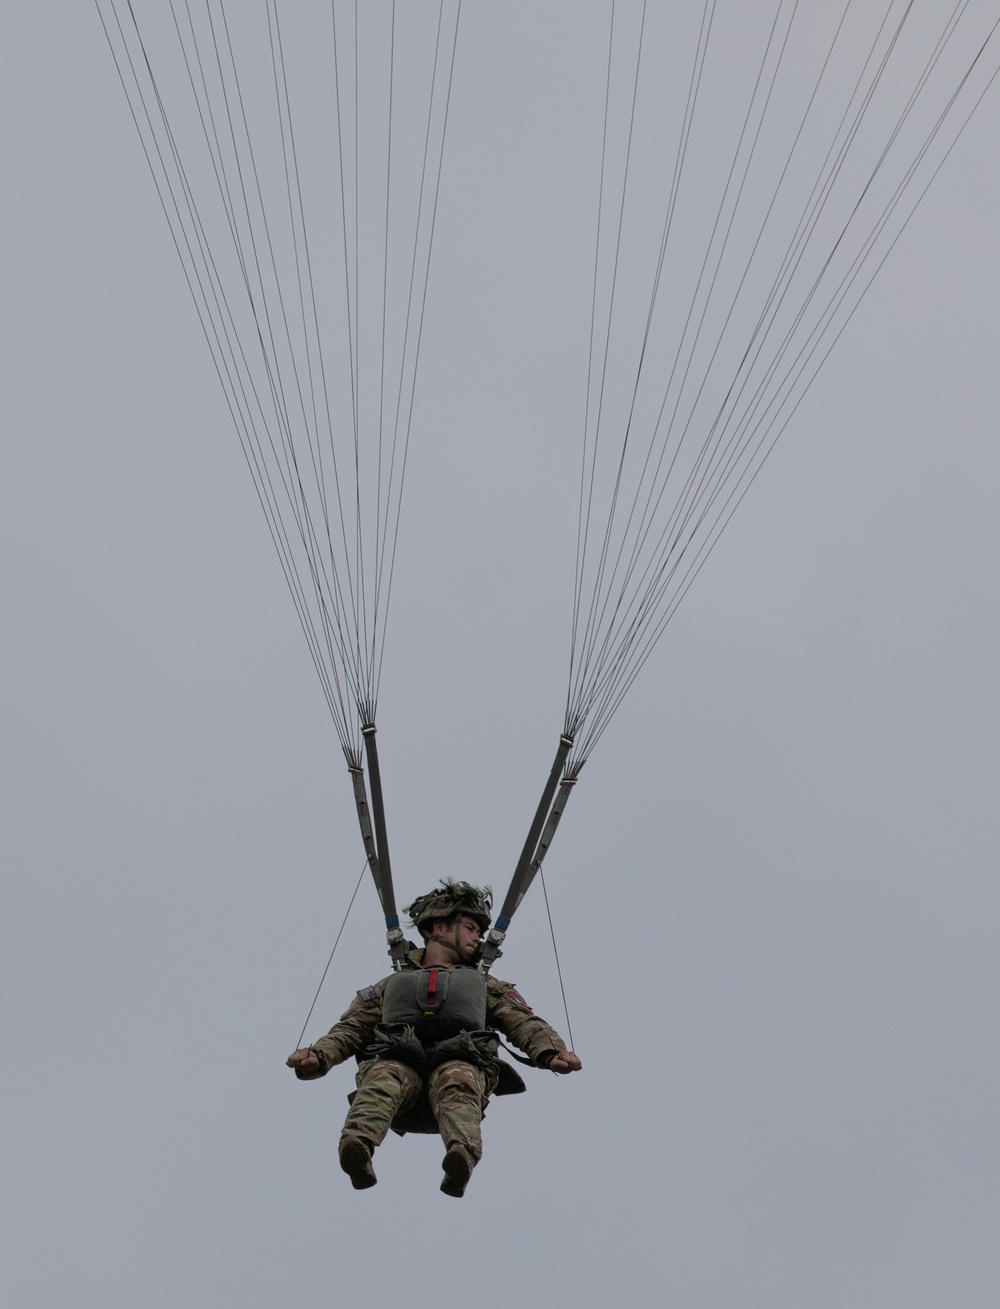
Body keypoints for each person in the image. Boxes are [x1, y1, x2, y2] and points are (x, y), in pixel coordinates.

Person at [286, 879, 582, 1197]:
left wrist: (552, 1052)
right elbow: (351, 1029)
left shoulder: (484, 986)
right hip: (403, 1079)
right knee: (385, 1075)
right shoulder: (392, 985)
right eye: (469, 927)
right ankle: (357, 1145)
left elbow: (524, 1023)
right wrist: (319, 1055)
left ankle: (461, 1157)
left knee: (458, 1074)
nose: (476, 938)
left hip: (456, 1075)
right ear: (439, 928)